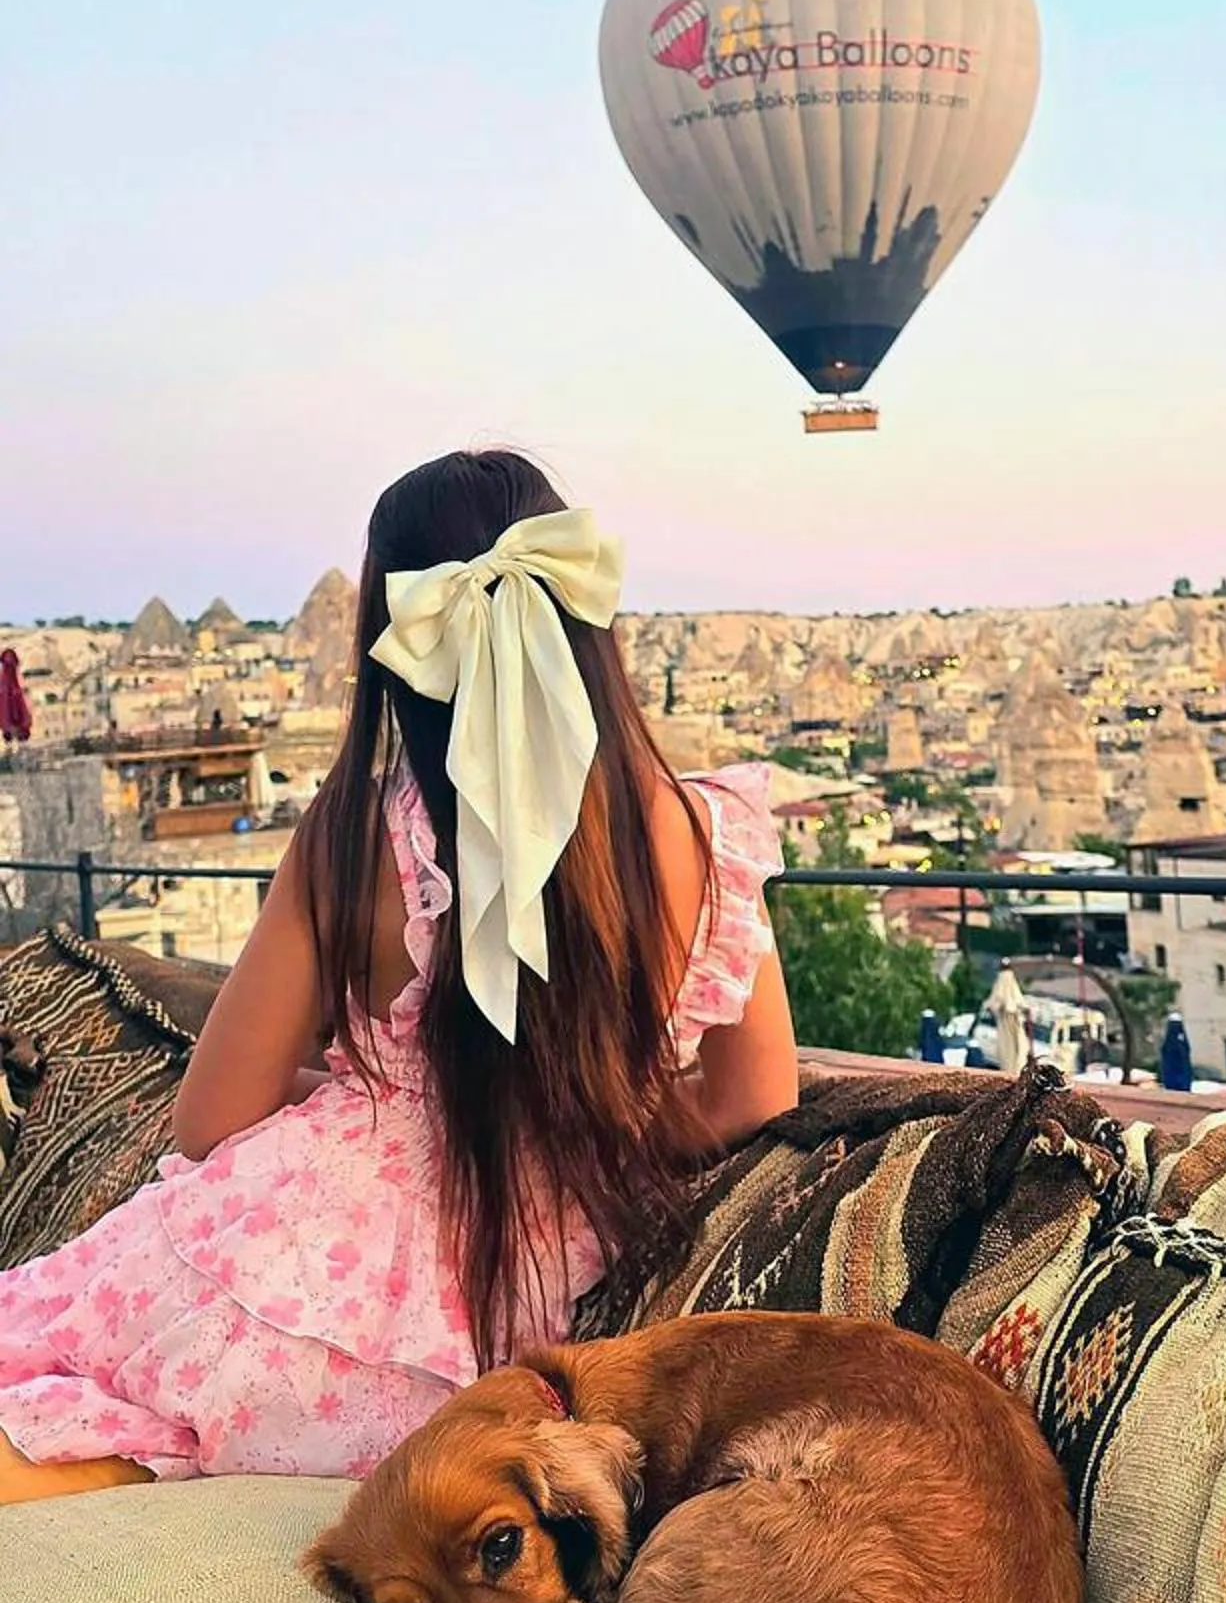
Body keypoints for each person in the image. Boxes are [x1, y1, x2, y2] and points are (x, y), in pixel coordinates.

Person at [0, 449, 797, 1502]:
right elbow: (755, 1093)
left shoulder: (359, 839)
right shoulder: (703, 833)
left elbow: (210, 1117)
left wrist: (350, 1108)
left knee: (45, 1375)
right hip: (474, 1353)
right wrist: (584, 1118)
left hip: (280, 1299)